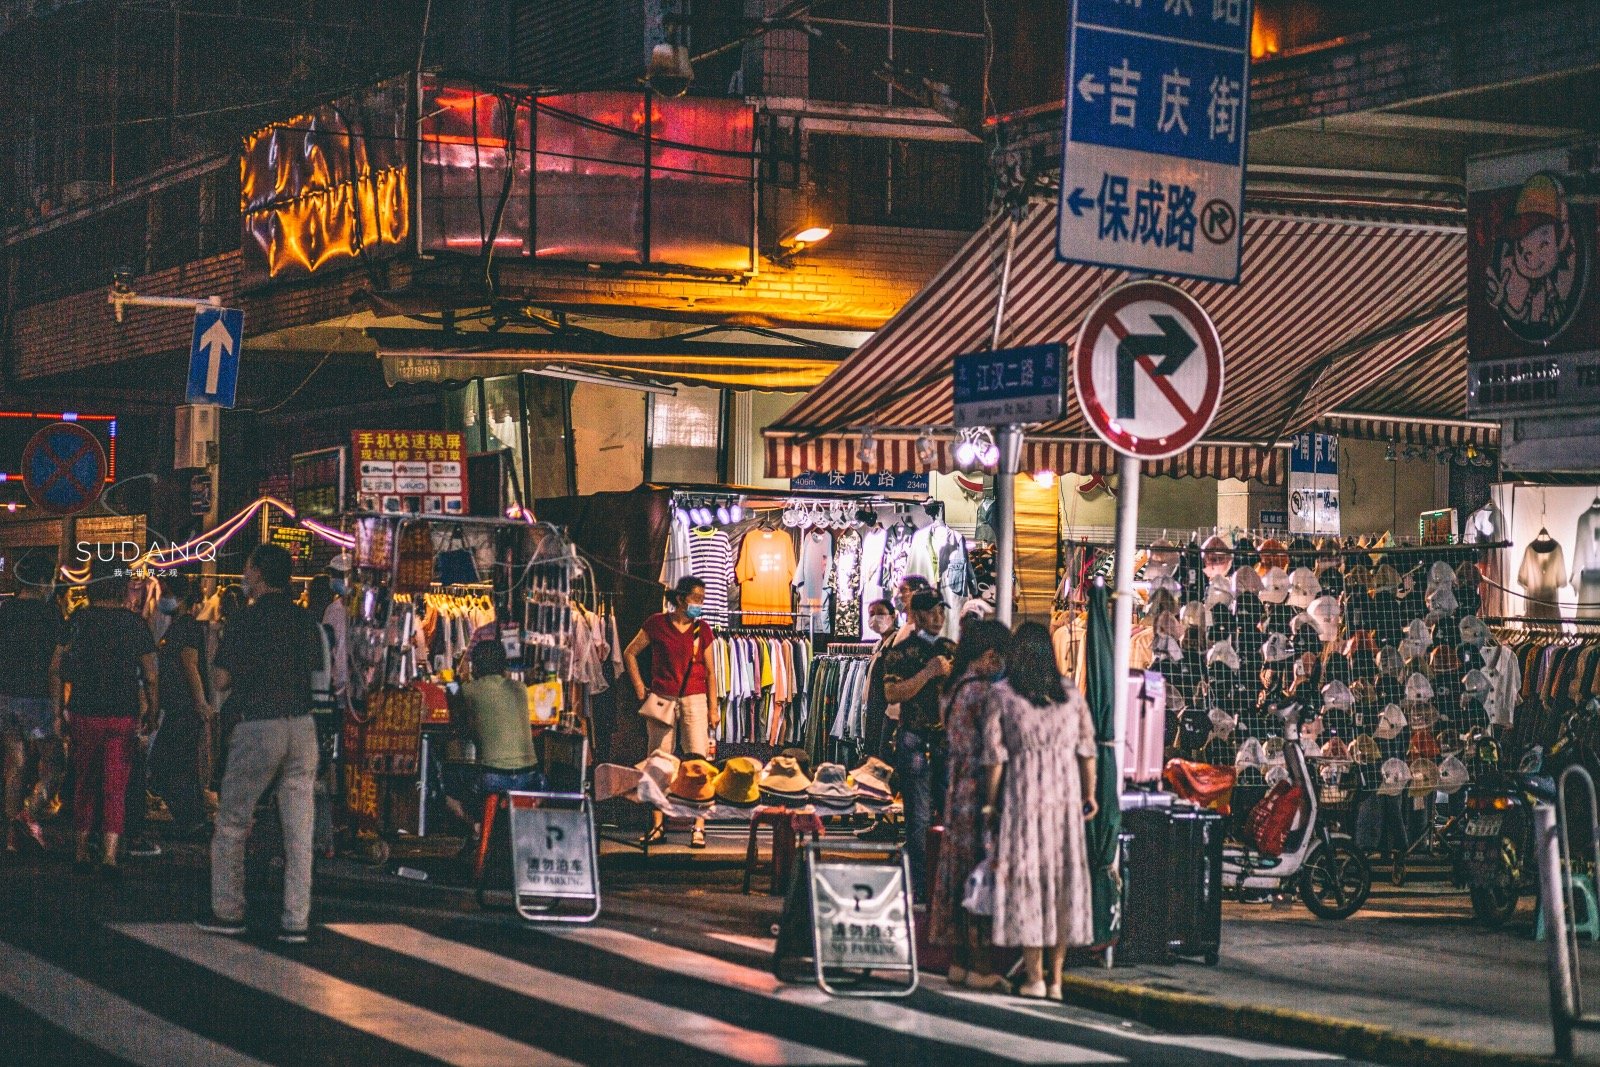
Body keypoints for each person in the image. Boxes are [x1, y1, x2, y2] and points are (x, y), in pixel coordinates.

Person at [197, 544, 324, 944]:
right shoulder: (305, 620)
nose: (244, 575)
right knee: (299, 830)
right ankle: (296, 919)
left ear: (258, 574)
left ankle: (228, 910)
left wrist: (214, 647)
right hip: (303, 725)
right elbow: (317, 673)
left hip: (259, 726)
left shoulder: (246, 620)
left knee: (233, 821)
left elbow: (221, 680)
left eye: (248, 568)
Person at [982, 621, 1098, 1000]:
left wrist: (991, 802)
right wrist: (1089, 794)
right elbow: (1087, 749)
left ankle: (1034, 976)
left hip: (1024, 797)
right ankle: (1057, 980)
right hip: (1065, 798)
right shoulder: (1070, 694)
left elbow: (995, 757)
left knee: (1028, 882)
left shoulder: (1002, 694)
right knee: (1062, 883)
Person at [52, 575, 158, 876]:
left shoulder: (79, 620)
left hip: (84, 709)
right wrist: (152, 709)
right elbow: (150, 674)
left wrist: (58, 712)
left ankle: (81, 850)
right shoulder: (134, 623)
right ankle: (110, 854)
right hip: (122, 712)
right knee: (116, 785)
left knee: (85, 781)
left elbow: (56, 668)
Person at [928, 618, 1010, 991]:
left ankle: (959, 960)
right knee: (980, 874)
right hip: (980, 791)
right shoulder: (984, 693)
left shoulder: (953, 688)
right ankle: (980, 964)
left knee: (959, 873)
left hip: (956, 789)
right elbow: (994, 750)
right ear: (990, 655)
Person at [622, 576, 719, 848]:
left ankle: (698, 826)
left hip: (695, 700)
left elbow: (711, 672)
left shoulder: (702, 629)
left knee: (698, 763)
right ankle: (657, 825)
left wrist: (713, 707)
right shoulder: (657, 624)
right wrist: (640, 688)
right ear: (680, 598)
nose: (700, 604)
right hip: (662, 700)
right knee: (658, 763)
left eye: (702, 599)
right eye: (696, 598)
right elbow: (630, 652)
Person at [881, 587, 956, 902]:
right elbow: (892, 694)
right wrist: (928, 673)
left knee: (951, 813)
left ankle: (945, 886)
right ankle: (920, 889)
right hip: (915, 739)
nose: (938, 618)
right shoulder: (901, 652)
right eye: (932, 612)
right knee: (919, 818)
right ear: (919, 616)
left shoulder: (951, 649)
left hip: (946, 741)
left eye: (941, 611)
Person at [0, 551, 63, 853]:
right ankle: (29, 813)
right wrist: (58, 708)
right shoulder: (50, 613)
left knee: (15, 764)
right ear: (41, 581)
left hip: (5, 696)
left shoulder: (5, 610)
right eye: (50, 580)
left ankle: (11, 837)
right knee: (54, 762)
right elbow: (56, 664)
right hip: (37, 697)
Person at [147, 575, 212, 838]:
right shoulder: (178, 626)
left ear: (181, 597)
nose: (162, 599)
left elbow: (190, 665)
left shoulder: (186, 627)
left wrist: (200, 703)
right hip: (178, 706)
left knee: (166, 764)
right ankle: (192, 819)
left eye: (166, 594)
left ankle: (191, 819)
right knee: (179, 765)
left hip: (184, 708)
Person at [461, 639, 538, 827]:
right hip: (530, 777)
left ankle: (476, 827)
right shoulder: (520, 688)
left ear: (475, 666)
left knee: (452, 784)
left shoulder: (469, 690)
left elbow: (463, 722)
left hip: (493, 779)